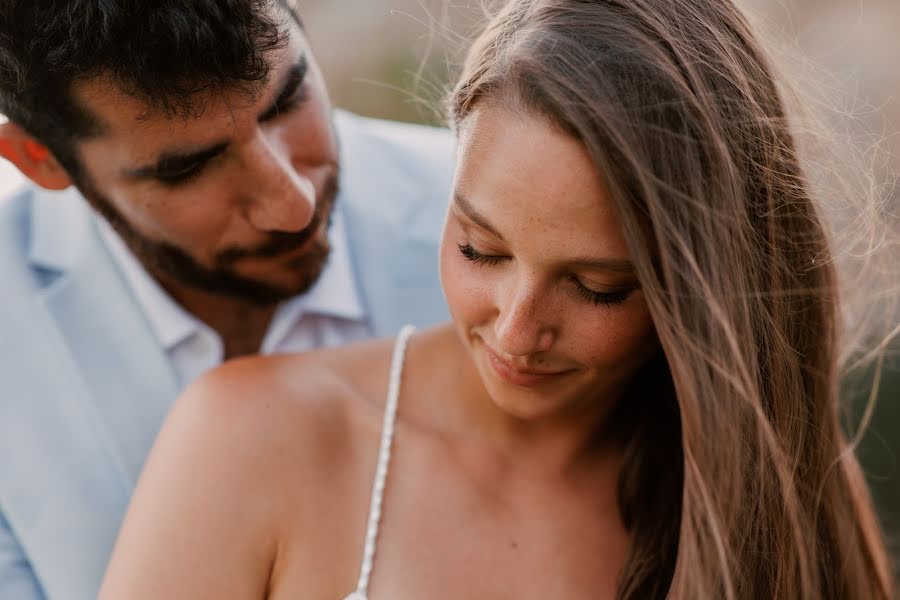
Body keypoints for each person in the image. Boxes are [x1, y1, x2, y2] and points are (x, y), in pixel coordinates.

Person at [99, 0, 895, 598]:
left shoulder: (769, 488)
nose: (516, 330)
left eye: (597, 287)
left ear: (697, 290)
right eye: (480, 248)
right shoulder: (252, 438)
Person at [0, 2, 454, 598]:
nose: (293, 205)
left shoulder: (502, 227)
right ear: (41, 159)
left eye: (289, 100)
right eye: (189, 167)